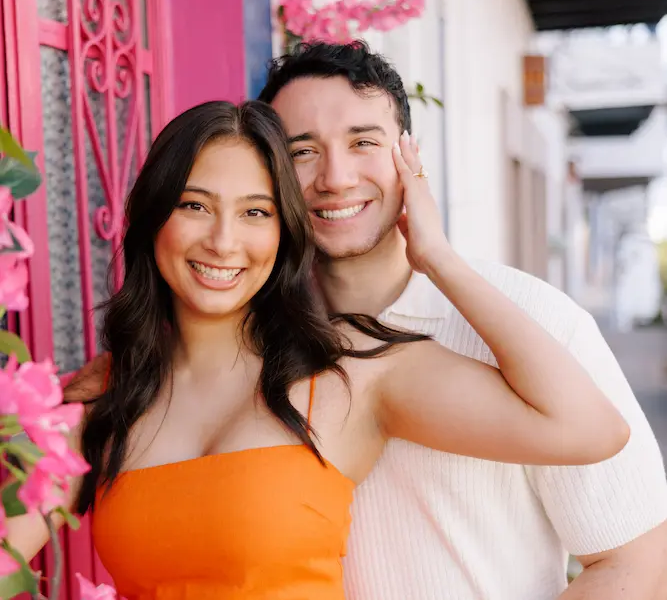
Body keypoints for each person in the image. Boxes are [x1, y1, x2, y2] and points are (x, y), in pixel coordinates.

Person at [4, 100, 627, 600]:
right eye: (195, 205)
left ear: (285, 233)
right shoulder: (101, 407)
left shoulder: (349, 377)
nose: (224, 241)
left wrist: (437, 258)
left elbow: (588, 428)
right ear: (153, 217)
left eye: (257, 212)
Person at [257, 41, 667, 600]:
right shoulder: (254, 339)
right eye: (302, 152)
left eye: (363, 142)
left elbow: (636, 560)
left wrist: (440, 261)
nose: (335, 176)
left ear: (410, 155)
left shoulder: (537, 321)